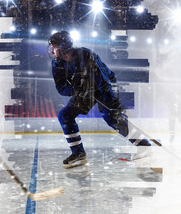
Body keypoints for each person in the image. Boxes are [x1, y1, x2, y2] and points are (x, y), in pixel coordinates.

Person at [48, 31, 151, 168]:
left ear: (64, 46)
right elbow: (61, 87)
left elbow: (105, 80)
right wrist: (76, 90)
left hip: (103, 87)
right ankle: (78, 153)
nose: (52, 51)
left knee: (111, 117)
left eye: (54, 47)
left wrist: (113, 103)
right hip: (84, 92)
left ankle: (144, 146)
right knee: (65, 115)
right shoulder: (57, 64)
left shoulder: (85, 55)